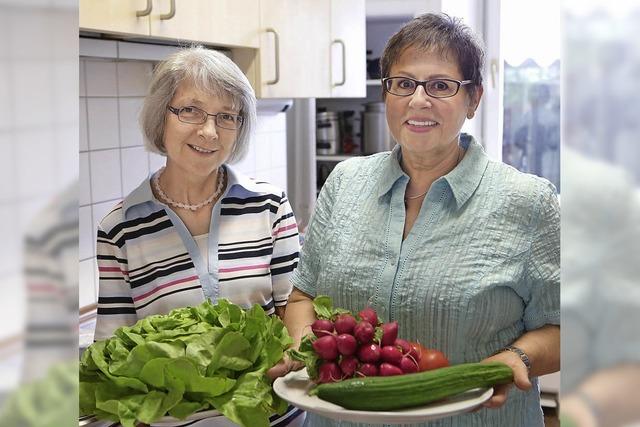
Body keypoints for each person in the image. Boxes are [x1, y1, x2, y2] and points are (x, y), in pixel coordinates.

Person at [275, 13, 560, 427]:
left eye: (441, 86)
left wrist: (516, 357)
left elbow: (563, 327)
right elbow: (302, 297)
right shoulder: (344, 182)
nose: (418, 100)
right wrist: (306, 351)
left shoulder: (529, 202)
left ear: (474, 98)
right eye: (403, 83)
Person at [93, 46, 303, 426]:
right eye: (190, 110)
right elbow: (113, 348)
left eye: (226, 116)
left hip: (273, 417)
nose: (209, 131)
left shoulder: (269, 206)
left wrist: (293, 352)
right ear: (162, 117)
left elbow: (294, 308)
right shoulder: (120, 227)